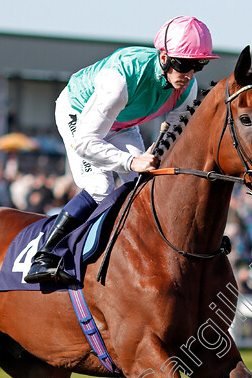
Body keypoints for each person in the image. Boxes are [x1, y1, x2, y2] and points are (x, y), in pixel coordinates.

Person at [24, 16, 218, 284]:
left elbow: (173, 139)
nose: (189, 74)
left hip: (121, 123)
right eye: (183, 64)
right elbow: (85, 142)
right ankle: (45, 254)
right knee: (99, 187)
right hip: (79, 115)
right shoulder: (121, 80)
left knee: (143, 184)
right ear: (164, 57)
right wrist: (129, 161)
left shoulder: (187, 90)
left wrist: (154, 156)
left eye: (199, 65)